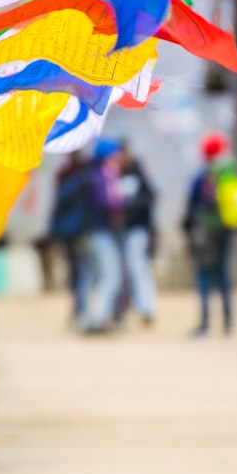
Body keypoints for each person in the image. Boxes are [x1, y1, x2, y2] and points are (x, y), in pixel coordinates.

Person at [182, 131, 237, 337]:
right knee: (223, 275)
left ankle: (205, 323)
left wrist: (188, 230)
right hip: (226, 231)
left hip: (205, 234)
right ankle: (228, 321)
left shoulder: (201, 178)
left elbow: (191, 207)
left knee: (204, 276)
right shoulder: (229, 175)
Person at [82, 138, 126, 334]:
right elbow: (104, 203)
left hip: (95, 232)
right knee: (109, 276)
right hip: (99, 232)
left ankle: (93, 317)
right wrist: (120, 199)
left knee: (97, 277)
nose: (118, 160)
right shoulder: (101, 176)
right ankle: (98, 319)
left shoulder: (94, 174)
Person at [48, 151, 93, 325]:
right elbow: (61, 201)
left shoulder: (75, 176)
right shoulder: (76, 178)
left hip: (73, 230)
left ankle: (79, 308)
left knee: (79, 272)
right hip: (74, 232)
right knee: (79, 272)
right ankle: (79, 309)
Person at [117, 141, 157, 326]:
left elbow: (150, 197)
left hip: (137, 229)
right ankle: (134, 305)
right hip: (123, 230)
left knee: (138, 267)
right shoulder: (116, 173)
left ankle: (146, 306)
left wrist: (129, 208)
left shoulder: (136, 172)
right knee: (128, 270)